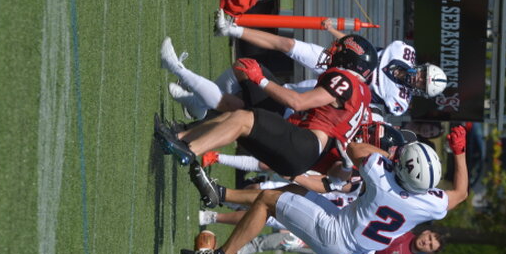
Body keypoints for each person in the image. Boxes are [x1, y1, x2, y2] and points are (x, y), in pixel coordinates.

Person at [179, 126, 468, 254]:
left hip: (336, 233)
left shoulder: (383, 178)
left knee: (268, 199)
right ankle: (220, 195)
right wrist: (459, 154)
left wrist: (457, 152)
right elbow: (461, 193)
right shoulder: (429, 202)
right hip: (348, 236)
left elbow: (355, 149)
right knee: (293, 190)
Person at [156, 33, 376, 184]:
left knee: (242, 119)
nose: (331, 51)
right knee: (239, 116)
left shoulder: (346, 80)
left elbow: (298, 102)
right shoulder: (363, 97)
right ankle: (179, 137)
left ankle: (189, 150)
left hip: (305, 144)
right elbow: (336, 175)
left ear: (349, 58)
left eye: (339, 49)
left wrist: (261, 80)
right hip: (301, 160)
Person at [168, 9, 447, 121]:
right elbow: (363, 49)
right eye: (423, 76)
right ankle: (230, 29)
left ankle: (199, 102)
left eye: (422, 85)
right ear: (422, 67)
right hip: (341, 61)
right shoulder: (403, 51)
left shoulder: (399, 102)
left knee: (278, 98)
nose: (417, 80)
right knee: (288, 45)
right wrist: (335, 34)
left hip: (339, 86)